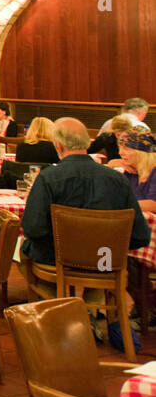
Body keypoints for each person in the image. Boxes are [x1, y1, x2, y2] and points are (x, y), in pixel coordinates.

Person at [20, 118, 149, 290]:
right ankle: (89, 304)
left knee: (22, 249)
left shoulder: (48, 178)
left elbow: (33, 229)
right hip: (105, 260)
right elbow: (140, 235)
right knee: (101, 257)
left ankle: (58, 304)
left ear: (58, 146)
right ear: (87, 143)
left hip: (58, 259)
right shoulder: (118, 180)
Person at [118, 130, 156, 212]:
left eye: (126, 149)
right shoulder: (131, 170)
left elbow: (153, 204)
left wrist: (119, 205)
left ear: (142, 152)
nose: (120, 153)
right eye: (119, 148)